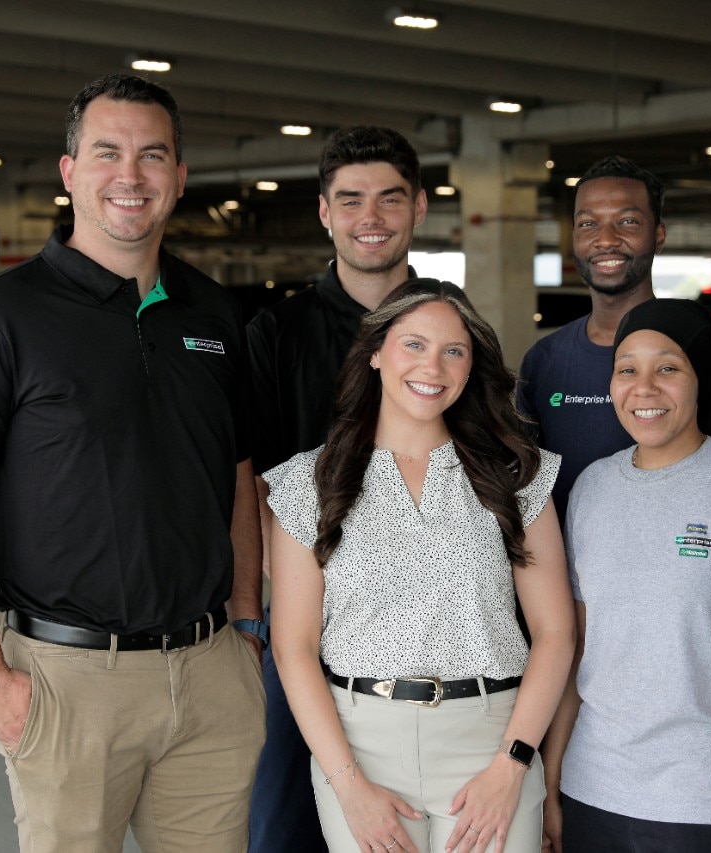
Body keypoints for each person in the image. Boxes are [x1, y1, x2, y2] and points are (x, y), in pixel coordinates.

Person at [0, 74, 267, 852]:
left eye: (152, 155)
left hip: (210, 678)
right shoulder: (1, 318)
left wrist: (244, 619)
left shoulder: (214, 315)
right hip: (69, 682)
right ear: (69, 172)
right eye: (107, 153)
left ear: (179, 177)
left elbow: (237, 475)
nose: (129, 176)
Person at [265, 279, 576, 853]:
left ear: (470, 364)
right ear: (376, 353)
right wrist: (349, 786)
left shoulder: (514, 475)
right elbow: (292, 647)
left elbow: (556, 634)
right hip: (359, 747)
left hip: (492, 738)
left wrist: (511, 767)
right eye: (413, 344)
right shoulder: (309, 482)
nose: (432, 365)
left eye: (453, 350)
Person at [541, 299, 711, 853]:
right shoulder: (592, 489)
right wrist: (549, 785)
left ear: (702, 379)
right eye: (627, 369)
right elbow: (578, 654)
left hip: (705, 797)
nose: (643, 388)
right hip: (592, 787)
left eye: (667, 368)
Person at [245, 126, 426, 851]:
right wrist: (276, 602)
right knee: (287, 823)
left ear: (417, 207)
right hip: (306, 627)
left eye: (388, 198)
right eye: (350, 200)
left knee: (411, 824)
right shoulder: (277, 332)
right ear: (325, 213)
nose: (370, 217)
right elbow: (253, 480)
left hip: (425, 624)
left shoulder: (450, 327)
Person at [517, 155, 711, 522]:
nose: (605, 239)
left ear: (658, 234)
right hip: (567, 573)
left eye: (627, 221)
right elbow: (528, 495)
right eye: (588, 223)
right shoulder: (544, 360)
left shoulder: (699, 353)